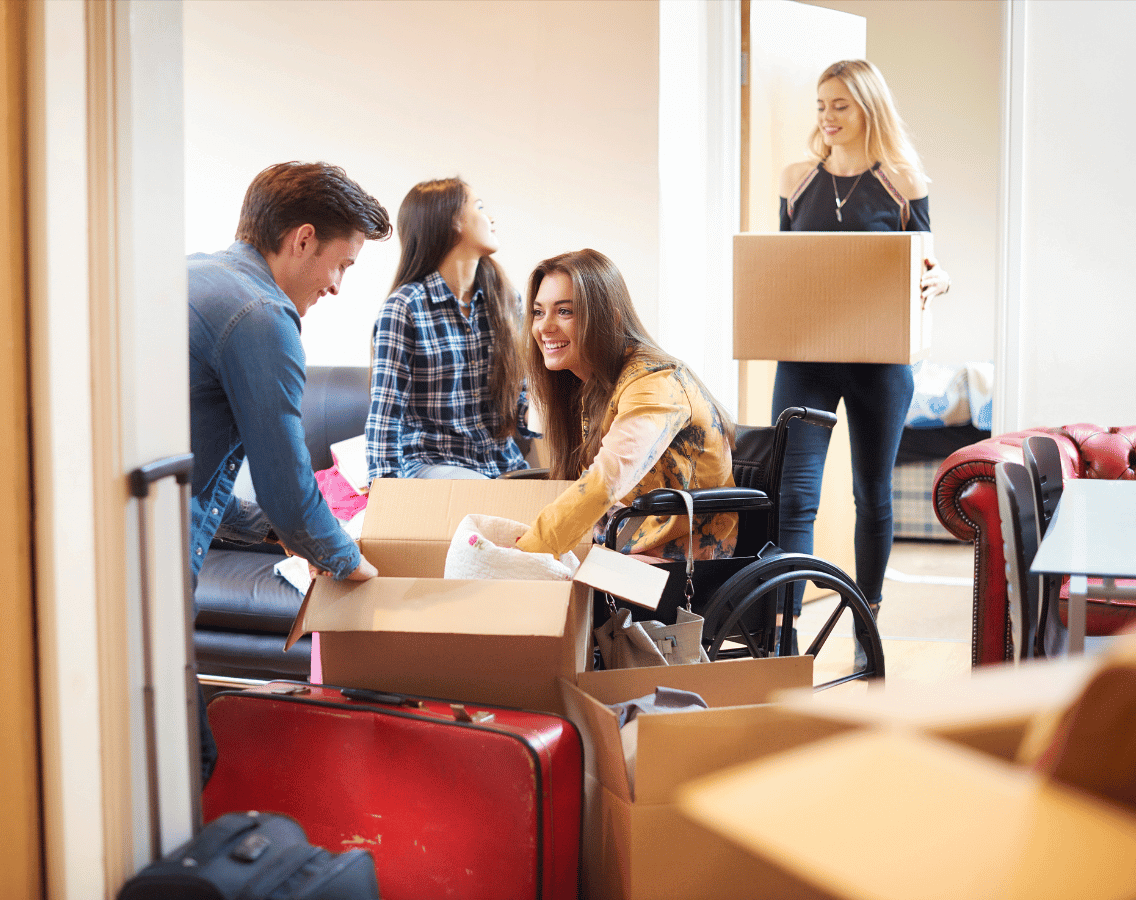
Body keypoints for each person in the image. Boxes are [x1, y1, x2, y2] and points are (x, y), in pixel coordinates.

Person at [187, 161, 391, 782]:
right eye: (342, 264)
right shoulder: (261, 316)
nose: (336, 286)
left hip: (111, 536)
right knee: (189, 757)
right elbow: (288, 491)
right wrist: (352, 565)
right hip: (150, 554)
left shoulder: (195, 273)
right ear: (302, 239)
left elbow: (207, 463)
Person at [774, 60, 952, 656]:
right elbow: (783, 269)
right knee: (794, 495)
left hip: (880, 362)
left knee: (871, 491)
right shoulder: (797, 179)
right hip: (805, 359)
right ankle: (786, 628)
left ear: (868, 107)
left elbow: (928, 263)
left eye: (840, 106)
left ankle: (865, 623)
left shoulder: (904, 182)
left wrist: (940, 278)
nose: (826, 117)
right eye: (821, 106)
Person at [515, 248, 737, 561]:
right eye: (539, 312)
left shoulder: (655, 382)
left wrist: (524, 552)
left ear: (611, 318)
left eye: (564, 311)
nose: (544, 327)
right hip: (628, 544)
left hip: (684, 559)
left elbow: (605, 481)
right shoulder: (591, 385)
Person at [365, 178, 534, 486]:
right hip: (434, 466)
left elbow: (521, 399)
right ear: (453, 222)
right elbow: (385, 417)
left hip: (503, 467)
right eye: (480, 207)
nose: (491, 219)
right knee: (491, 501)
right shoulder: (404, 308)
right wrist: (384, 497)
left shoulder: (508, 301)